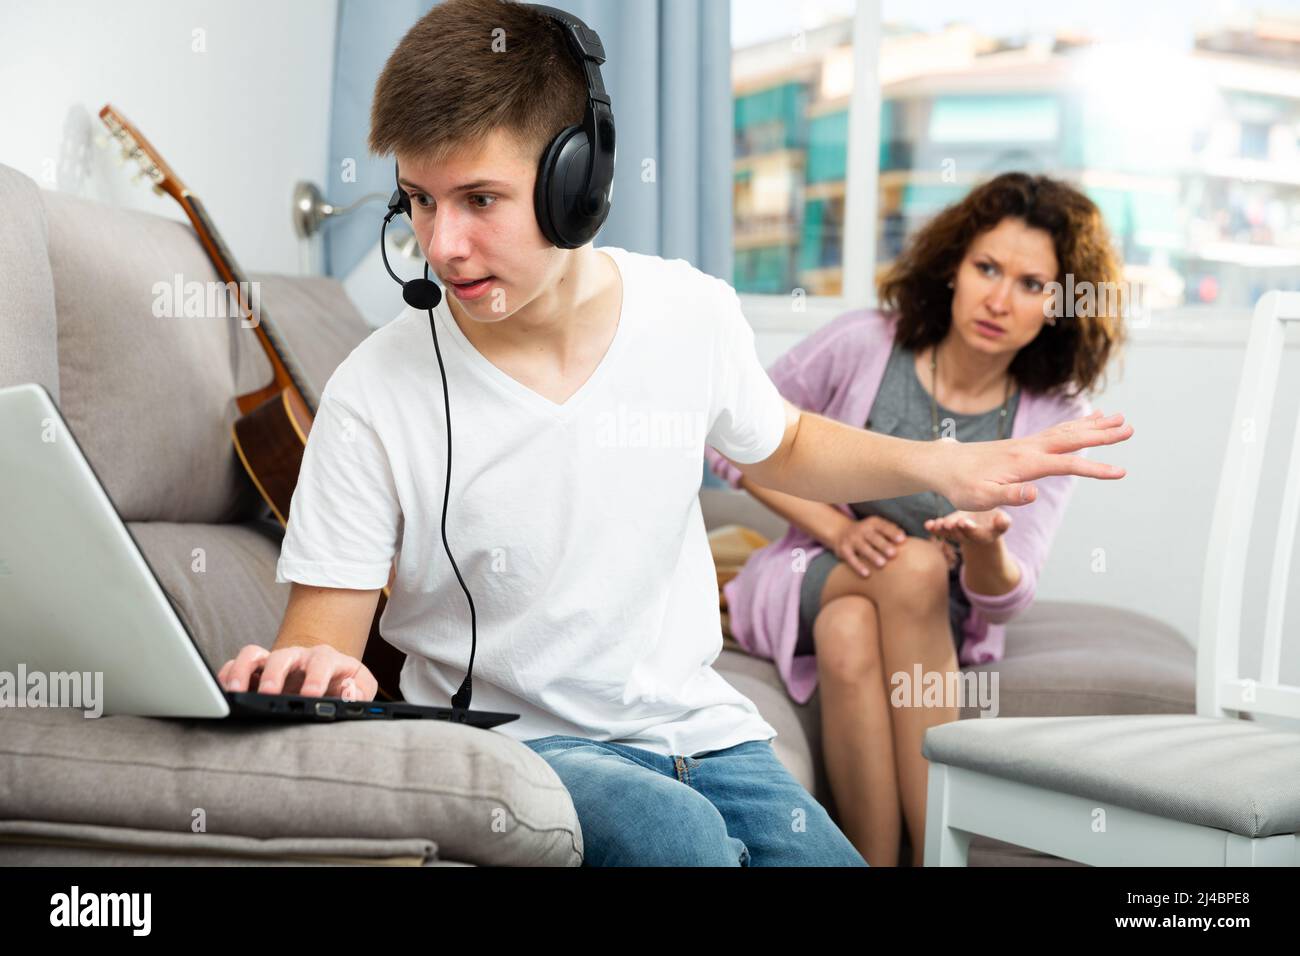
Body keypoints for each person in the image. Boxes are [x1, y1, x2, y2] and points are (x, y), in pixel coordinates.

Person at [218, 0, 1134, 867]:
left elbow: (778, 442)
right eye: (418, 200)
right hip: (518, 748)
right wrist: (310, 676)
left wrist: (944, 464)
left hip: (705, 730)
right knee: (676, 833)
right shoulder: (377, 391)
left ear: (576, 182)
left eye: (480, 200)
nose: (441, 243)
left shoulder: (688, 312)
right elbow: (325, 638)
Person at [705, 172, 1129, 866]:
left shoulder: (1056, 411)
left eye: (1030, 284)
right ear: (953, 267)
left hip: (934, 616)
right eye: (986, 267)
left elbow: (1008, 595)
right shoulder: (863, 343)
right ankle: (939, 859)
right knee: (917, 563)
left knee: (851, 631)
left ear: (1058, 304)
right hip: (813, 570)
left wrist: (990, 546)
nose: (998, 298)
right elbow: (732, 436)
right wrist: (836, 528)